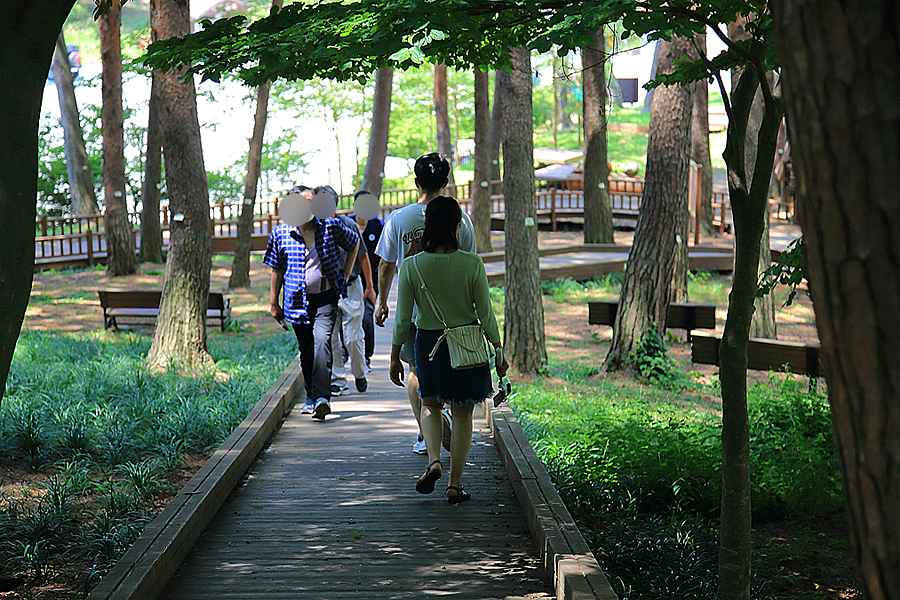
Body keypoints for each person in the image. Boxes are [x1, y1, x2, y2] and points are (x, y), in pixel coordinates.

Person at [389, 196, 508, 504]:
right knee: (463, 413)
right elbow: (485, 312)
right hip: (466, 345)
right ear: (458, 225)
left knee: (429, 404)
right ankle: (455, 484)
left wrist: (393, 356)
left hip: (429, 345)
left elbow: (403, 319)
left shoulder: (413, 265)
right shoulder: (472, 263)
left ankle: (433, 461)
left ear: (427, 226)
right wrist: (498, 347)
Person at [375, 153, 477, 454]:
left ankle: (425, 431)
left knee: (417, 371)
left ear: (416, 182)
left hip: (416, 312)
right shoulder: (461, 219)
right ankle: (442, 422)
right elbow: (468, 263)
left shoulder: (399, 219)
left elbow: (386, 265)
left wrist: (382, 301)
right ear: (446, 182)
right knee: (451, 368)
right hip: (454, 313)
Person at [265, 185, 360, 420]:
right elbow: (276, 269)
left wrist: (345, 275)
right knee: (306, 350)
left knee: (322, 342)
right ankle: (310, 396)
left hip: (326, 297)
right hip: (296, 301)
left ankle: (322, 398)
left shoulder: (331, 225)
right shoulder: (280, 233)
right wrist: (273, 303)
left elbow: (354, 242)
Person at [329, 191, 375, 395]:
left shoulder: (348, 225)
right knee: (331, 338)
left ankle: (359, 372)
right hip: (326, 289)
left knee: (353, 337)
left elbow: (363, 257)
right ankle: (338, 380)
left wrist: (370, 287)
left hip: (352, 286)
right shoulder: (314, 228)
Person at [351, 190, 385, 370]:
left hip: (371, 281)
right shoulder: (347, 224)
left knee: (366, 319)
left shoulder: (378, 226)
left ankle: (366, 357)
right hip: (349, 281)